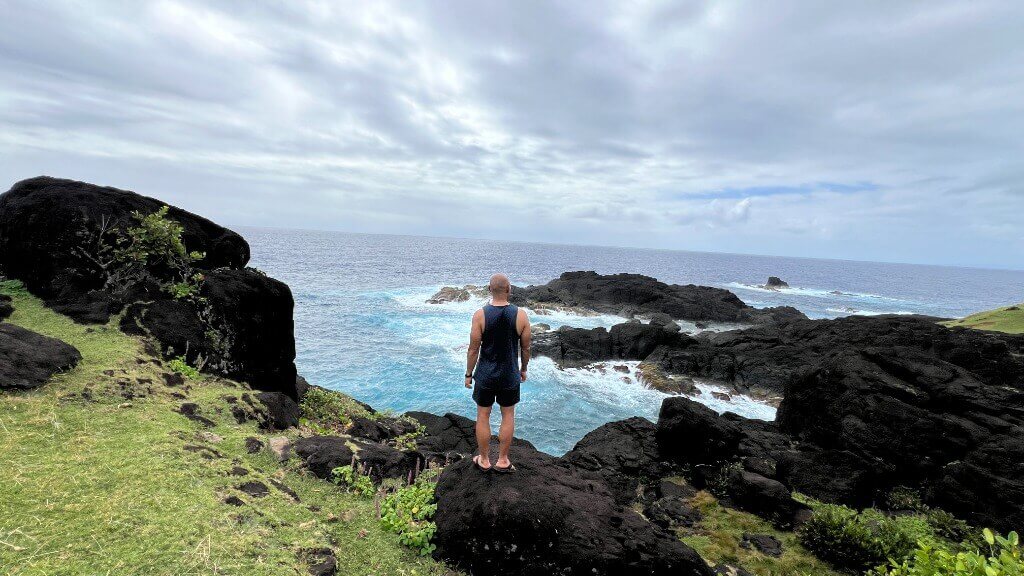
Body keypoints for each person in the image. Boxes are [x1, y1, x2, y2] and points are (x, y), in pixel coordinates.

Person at [464, 273, 530, 472]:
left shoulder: (480, 315)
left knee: (483, 415)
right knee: (508, 415)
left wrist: (468, 374)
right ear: (509, 289)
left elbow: (473, 349)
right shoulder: (521, 315)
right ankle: (502, 460)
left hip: (485, 375)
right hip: (509, 375)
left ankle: (484, 460)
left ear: (489, 289)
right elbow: (526, 348)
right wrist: (523, 369)